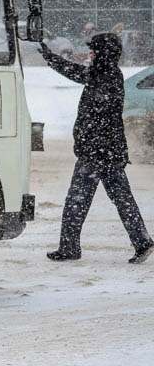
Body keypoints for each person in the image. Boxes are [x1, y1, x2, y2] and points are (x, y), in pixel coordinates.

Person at [41, 33, 154, 264]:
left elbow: (78, 76)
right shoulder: (105, 74)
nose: (90, 53)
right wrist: (51, 59)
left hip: (97, 152)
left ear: (103, 53)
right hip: (107, 151)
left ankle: (70, 247)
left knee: (77, 200)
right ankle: (142, 242)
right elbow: (80, 74)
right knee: (122, 199)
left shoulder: (106, 76)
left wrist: (52, 59)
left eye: (94, 50)